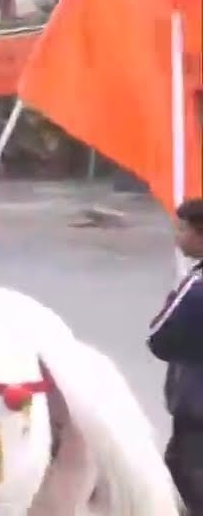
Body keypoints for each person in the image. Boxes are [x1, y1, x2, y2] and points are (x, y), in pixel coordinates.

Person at [148, 198, 203, 513]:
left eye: (182, 229)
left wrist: (176, 294)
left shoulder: (194, 288)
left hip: (196, 410)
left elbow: (157, 339)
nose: (177, 236)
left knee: (186, 480)